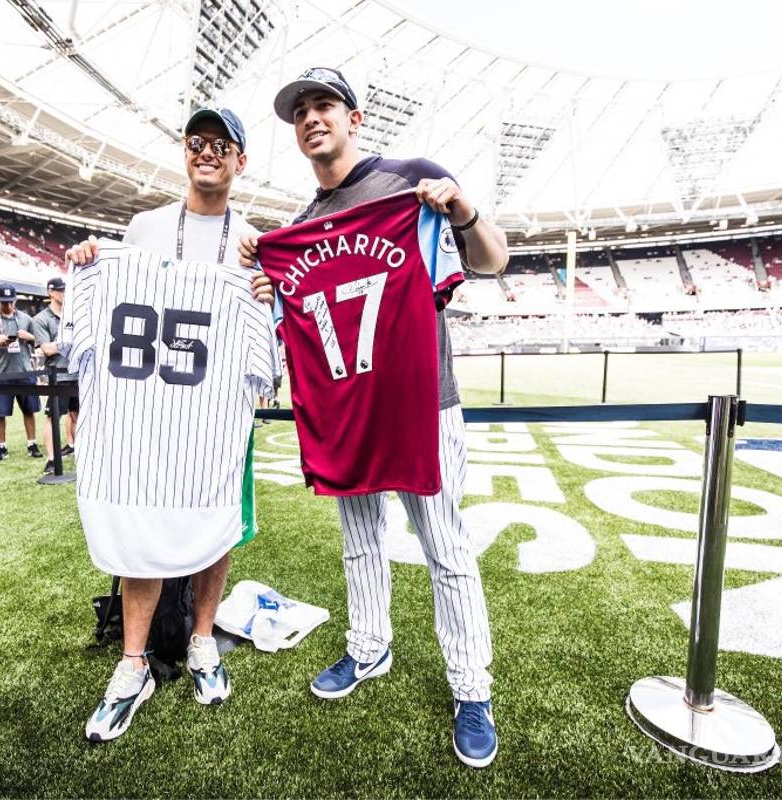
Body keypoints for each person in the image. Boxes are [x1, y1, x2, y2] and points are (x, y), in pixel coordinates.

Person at [239, 67, 510, 769]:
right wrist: (272, 277)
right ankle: (369, 647)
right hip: (345, 410)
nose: (310, 118)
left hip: (424, 403)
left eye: (323, 104)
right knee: (360, 541)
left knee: (445, 544)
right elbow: (282, 315)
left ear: (354, 117)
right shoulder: (298, 227)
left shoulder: (409, 181)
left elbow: (494, 260)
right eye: (299, 111)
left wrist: (460, 211)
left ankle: (471, 687)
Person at [64, 107, 265, 741]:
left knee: (217, 521)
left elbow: (269, 342)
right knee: (138, 526)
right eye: (197, 142)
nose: (207, 152)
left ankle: (202, 641)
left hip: (214, 416)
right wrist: (90, 262)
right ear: (185, 152)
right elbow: (99, 303)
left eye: (221, 144)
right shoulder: (144, 229)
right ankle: (133, 664)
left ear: (240, 159)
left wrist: (263, 299)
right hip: (141, 420)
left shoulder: (253, 239)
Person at [0, 283, 41, 462]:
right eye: (4, 302)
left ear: (15, 300)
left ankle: (32, 444)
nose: (8, 305)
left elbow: (41, 341)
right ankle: (2, 447)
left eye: (10, 302)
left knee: (29, 410)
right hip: (0, 373)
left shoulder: (27, 319)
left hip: (24, 371)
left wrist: (30, 337)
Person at [30, 275, 77, 474]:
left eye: (67, 290)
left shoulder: (74, 313)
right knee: (53, 417)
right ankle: (51, 458)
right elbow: (46, 349)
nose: (65, 294)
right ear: (51, 292)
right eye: (61, 290)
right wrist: (68, 343)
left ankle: (80, 453)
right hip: (58, 375)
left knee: (79, 417)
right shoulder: (41, 319)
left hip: (78, 373)